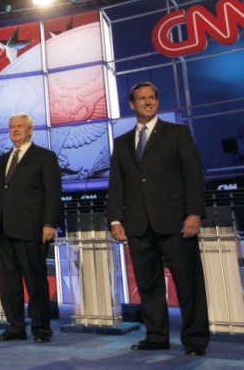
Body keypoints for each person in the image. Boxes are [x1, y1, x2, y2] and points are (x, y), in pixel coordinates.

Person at [108, 81, 209, 357]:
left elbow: (193, 175)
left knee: (188, 284)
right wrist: (116, 219)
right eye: (142, 98)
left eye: (152, 97)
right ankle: (156, 336)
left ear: (156, 101)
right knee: (149, 285)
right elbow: (117, 185)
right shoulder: (122, 142)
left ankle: (195, 340)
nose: (148, 102)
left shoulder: (177, 133)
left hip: (177, 222)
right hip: (138, 224)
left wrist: (193, 213)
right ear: (132, 104)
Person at [0, 113, 60, 344]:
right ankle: (15, 326)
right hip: (3, 230)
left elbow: (53, 193)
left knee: (35, 281)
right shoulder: (1, 160)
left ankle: (41, 329)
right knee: (9, 284)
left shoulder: (45, 157)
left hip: (32, 229)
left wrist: (49, 223)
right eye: (11, 127)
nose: (15, 130)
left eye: (20, 126)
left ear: (30, 130)